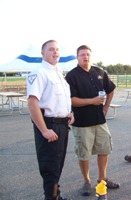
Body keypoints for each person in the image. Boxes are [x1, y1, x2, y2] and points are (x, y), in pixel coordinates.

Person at [65, 45, 119, 196]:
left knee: (104, 149)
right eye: (82, 55)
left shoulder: (99, 72)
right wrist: (92, 101)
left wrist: (106, 107)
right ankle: (87, 181)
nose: (85, 57)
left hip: (100, 121)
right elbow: (71, 100)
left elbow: (111, 89)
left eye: (88, 54)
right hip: (81, 122)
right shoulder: (71, 76)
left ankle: (102, 180)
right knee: (84, 154)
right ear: (77, 57)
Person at [27, 40, 74, 200]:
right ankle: (51, 197)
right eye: (51, 49)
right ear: (42, 53)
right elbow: (32, 103)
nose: (55, 52)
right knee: (50, 168)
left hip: (62, 125)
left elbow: (58, 100)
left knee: (57, 165)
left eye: (57, 50)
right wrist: (44, 130)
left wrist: (70, 112)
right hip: (49, 125)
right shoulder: (39, 72)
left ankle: (56, 195)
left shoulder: (58, 72)